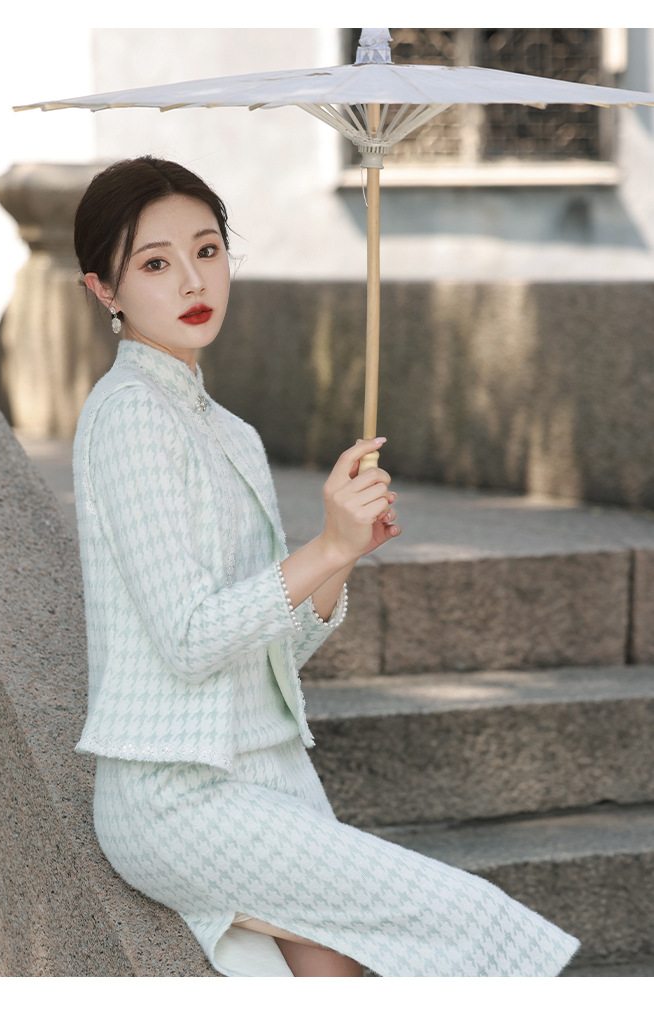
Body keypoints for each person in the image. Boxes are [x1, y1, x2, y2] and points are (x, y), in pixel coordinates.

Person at [72, 155, 580, 977]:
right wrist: (325, 548)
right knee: (468, 919)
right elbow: (190, 641)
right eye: (155, 264)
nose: (194, 280)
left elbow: (277, 654)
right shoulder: (129, 414)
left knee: (339, 978)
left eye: (208, 250)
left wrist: (342, 553)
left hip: (269, 769)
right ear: (105, 290)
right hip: (177, 791)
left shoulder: (232, 433)